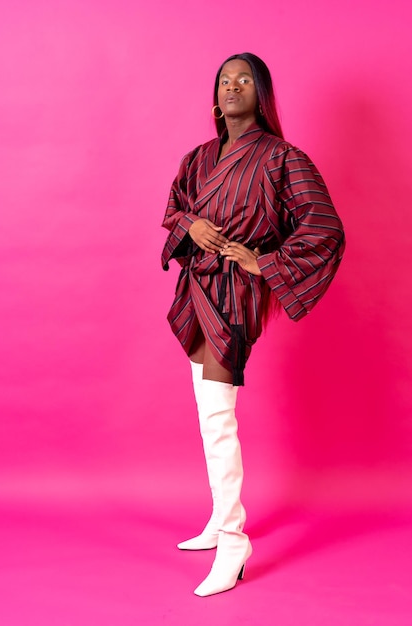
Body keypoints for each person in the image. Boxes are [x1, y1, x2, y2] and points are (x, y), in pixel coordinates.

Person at [161, 52, 345, 597]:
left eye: (244, 80)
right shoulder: (197, 158)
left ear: (260, 93)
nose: (232, 87)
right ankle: (220, 520)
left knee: (219, 415)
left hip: (234, 292)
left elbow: (323, 226)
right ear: (215, 95)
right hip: (194, 285)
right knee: (205, 405)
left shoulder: (283, 157)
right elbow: (173, 208)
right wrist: (192, 225)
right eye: (224, 80)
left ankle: (235, 539)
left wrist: (260, 262)